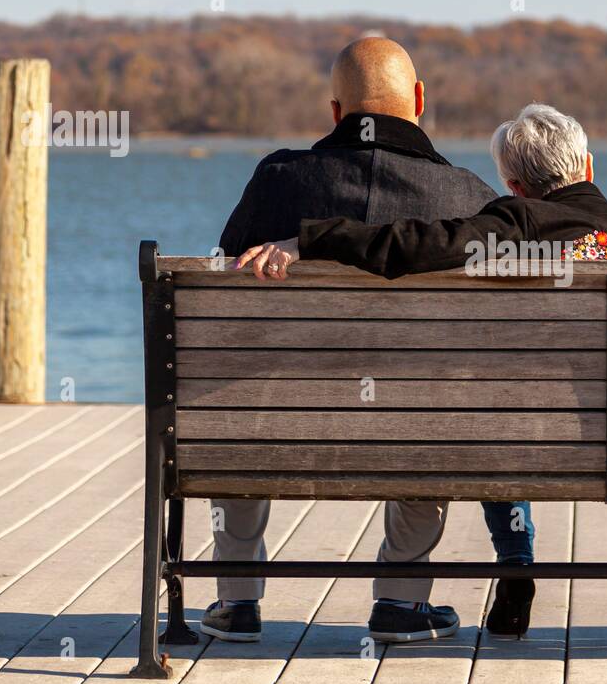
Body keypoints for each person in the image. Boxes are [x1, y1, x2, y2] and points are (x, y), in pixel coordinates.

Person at [235, 103, 607, 636]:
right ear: (589, 166)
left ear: (512, 184)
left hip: (527, 433)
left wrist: (310, 239)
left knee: (501, 403)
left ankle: (517, 561)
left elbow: (409, 246)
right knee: (519, 399)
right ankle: (511, 564)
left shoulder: (514, 221)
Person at [209, 37, 534, 645]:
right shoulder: (466, 198)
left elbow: (225, 303)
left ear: (336, 112)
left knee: (239, 400)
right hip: (409, 429)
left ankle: (237, 598)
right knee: (432, 404)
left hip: (273, 422)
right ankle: (401, 601)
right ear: (418, 100)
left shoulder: (277, 181)